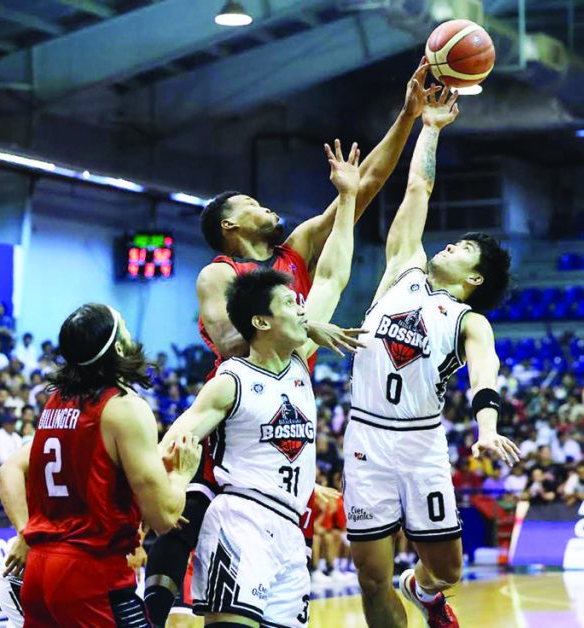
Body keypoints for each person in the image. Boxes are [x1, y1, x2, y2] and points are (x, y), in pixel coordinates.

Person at [142, 63, 428, 628]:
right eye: (251, 201)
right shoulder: (219, 273)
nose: (266, 205)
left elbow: (362, 190)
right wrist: (300, 326)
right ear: (229, 224)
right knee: (191, 507)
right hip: (240, 403)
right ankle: (150, 601)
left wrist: (409, 117)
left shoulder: (294, 255)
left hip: (287, 394)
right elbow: (231, 341)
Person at [157, 135, 362, 627]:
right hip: (241, 521)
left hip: (290, 533)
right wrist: (172, 485)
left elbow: (334, 275)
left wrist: (350, 195)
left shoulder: (298, 364)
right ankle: (149, 604)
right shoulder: (232, 377)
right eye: (292, 305)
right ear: (264, 322)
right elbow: (177, 437)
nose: (303, 306)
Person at [342, 85, 519, 628]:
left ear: (474, 279)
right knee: (370, 579)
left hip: (422, 445)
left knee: (447, 570)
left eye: (464, 249)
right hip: (367, 437)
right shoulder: (404, 270)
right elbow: (418, 187)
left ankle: (421, 590)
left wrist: (486, 428)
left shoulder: (470, 320)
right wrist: (431, 127)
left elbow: (484, 374)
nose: (450, 245)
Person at [0, 303, 203, 627]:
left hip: (39, 571)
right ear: (118, 346)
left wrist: (27, 531)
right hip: (90, 574)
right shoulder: (124, 408)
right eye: (123, 324)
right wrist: (181, 474)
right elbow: (163, 517)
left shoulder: (56, 402)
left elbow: (12, 470)